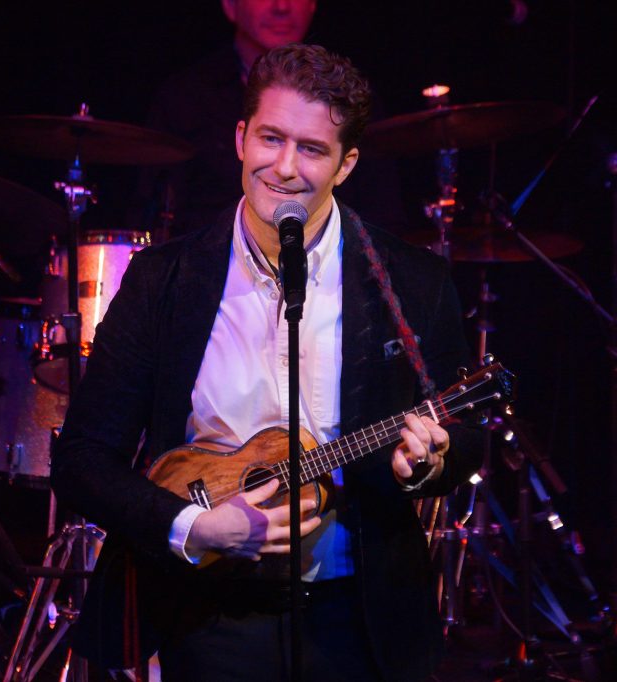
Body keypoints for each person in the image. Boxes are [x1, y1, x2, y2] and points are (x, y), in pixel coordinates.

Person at [52, 44, 483, 682]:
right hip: (208, 613)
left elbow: (463, 441)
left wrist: (429, 463)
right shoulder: (163, 280)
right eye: (271, 138)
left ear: (346, 164)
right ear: (239, 138)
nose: (285, 167)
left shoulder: (413, 282)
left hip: (359, 616)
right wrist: (190, 526)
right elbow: (83, 458)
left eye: (312, 148)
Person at [137, 0, 407, 238]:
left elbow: (384, 213)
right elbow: (149, 213)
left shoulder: (350, 100)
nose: (281, 6)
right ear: (231, 6)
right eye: (271, 138)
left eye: (311, 148)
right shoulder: (185, 96)